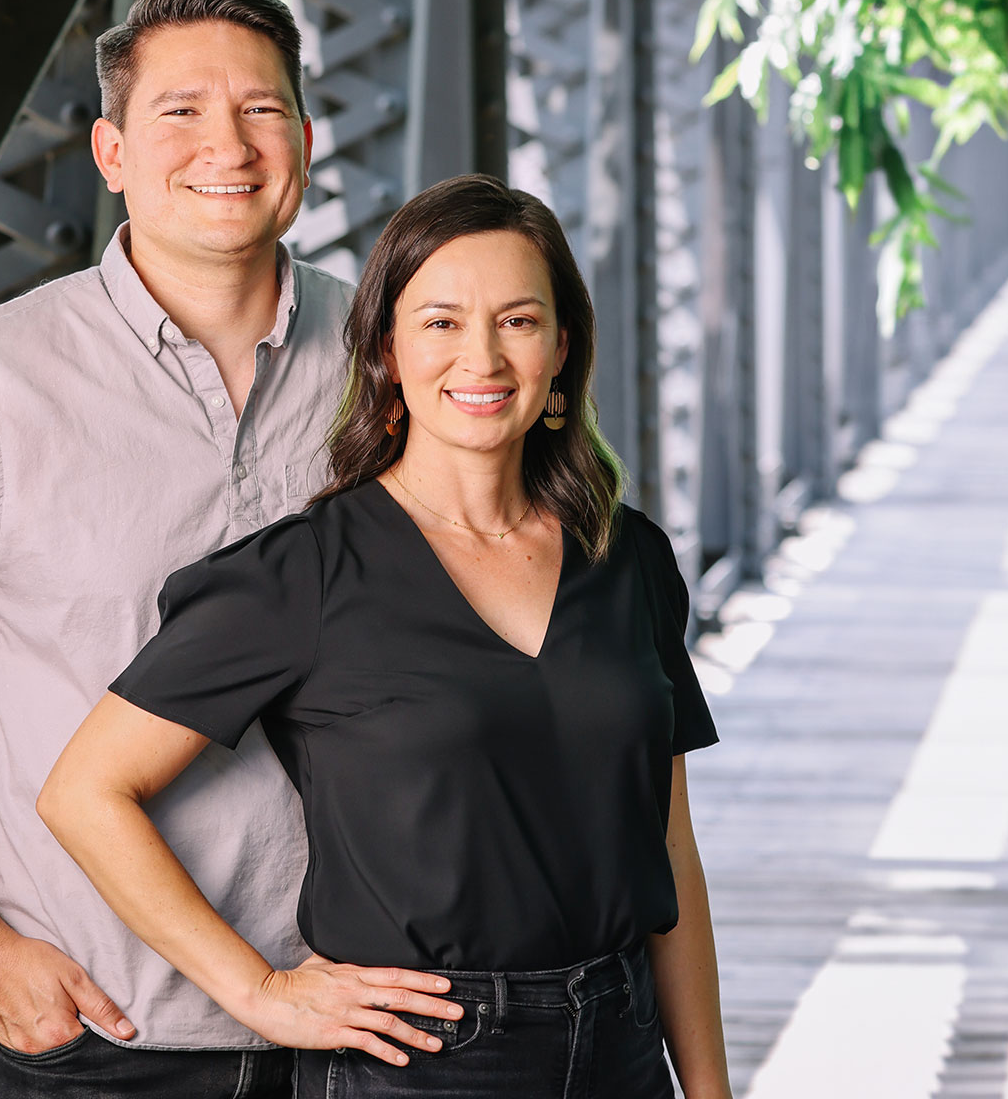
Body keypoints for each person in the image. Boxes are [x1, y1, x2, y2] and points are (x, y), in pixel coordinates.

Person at [0, 0, 414, 1098]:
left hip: (371, 1027)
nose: (229, 143)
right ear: (110, 155)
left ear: (305, 142)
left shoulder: (396, 361)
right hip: (104, 1048)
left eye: (261, 110)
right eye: (180, 112)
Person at [39, 174, 735, 1098]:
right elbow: (85, 792)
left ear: (562, 351)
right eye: (441, 322)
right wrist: (261, 993)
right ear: (386, 352)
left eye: (518, 322)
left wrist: (710, 1087)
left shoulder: (629, 557)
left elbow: (670, 848)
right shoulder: (305, 574)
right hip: (421, 1067)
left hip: (623, 1043)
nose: (481, 358)